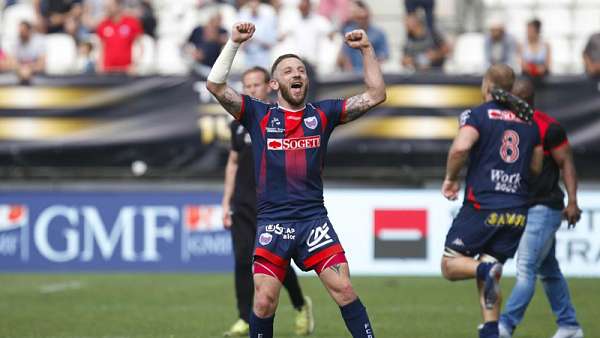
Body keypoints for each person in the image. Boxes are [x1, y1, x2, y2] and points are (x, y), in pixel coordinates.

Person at [207, 22, 386, 338]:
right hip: (273, 222)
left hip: (312, 220)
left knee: (344, 289)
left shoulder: (324, 114)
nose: (297, 74)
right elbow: (215, 86)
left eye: (301, 70)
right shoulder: (258, 116)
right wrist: (233, 43)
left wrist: (367, 50)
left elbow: (376, 94)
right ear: (275, 84)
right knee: (263, 301)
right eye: (288, 71)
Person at [440, 64, 544, 338]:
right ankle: (490, 330)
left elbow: (461, 146)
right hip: (517, 212)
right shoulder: (529, 122)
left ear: (487, 85)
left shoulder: (477, 114)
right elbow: (535, 166)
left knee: (451, 265)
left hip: (483, 206)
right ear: (510, 89)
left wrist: (451, 178)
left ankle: (485, 268)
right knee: (488, 274)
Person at [221, 66, 315, 337]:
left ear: (270, 86)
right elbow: (233, 163)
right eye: (247, 86)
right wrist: (226, 201)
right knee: (241, 262)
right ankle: (244, 318)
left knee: (277, 265)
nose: (251, 90)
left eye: (256, 84)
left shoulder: (281, 118)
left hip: (274, 205)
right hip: (243, 203)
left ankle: (299, 306)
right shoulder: (238, 122)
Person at [498, 79, 584, 338]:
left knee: (525, 268)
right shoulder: (506, 124)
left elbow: (566, 163)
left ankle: (504, 325)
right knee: (549, 269)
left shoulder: (548, 127)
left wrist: (572, 201)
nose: (510, 103)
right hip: (522, 207)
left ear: (525, 100)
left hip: (544, 207)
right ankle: (569, 325)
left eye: (515, 99)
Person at [338, 1, 388, 73]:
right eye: (358, 17)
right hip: (352, 75)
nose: (361, 20)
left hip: (372, 73)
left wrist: (373, 73)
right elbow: (345, 56)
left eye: (363, 17)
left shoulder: (379, 33)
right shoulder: (349, 32)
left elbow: (383, 56)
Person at [96, 0, 143, 73]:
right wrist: (100, 65)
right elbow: (101, 47)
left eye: (109, 6)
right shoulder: (103, 24)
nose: (107, 9)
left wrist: (135, 64)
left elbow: (140, 46)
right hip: (108, 71)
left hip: (126, 71)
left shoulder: (131, 22)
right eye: (105, 7)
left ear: (118, 6)